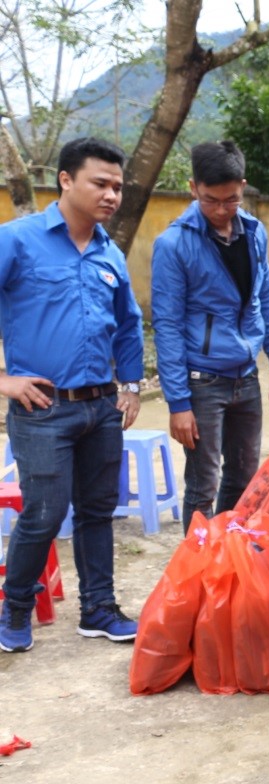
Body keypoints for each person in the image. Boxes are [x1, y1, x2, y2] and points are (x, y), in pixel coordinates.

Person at [0, 137, 144, 653]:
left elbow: (129, 324)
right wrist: (5, 382)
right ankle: (14, 605)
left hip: (101, 407)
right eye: (100, 183)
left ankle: (98, 610)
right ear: (66, 180)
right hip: (42, 409)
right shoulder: (17, 241)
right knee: (43, 510)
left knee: (98, 511)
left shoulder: (110, 254)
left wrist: (130, 388)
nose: (111, 195)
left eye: (118, 187)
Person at [150, 140, 269, 533]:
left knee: (245, 478)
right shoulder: (173, 245)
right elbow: (168, 326)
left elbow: (265, 295)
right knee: (203, 484)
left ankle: (228, 560)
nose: (221, 209)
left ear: (242, 187)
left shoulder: (254, 233)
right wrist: (178, 402)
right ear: (193, 188)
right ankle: (197, 575)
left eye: (231, 200)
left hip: (245, 376)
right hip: (202, 382)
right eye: (211, 200)